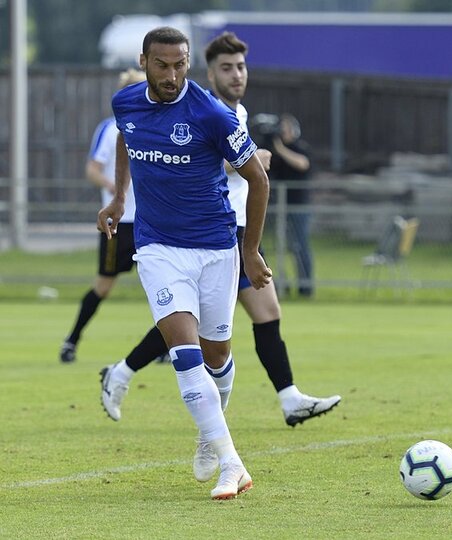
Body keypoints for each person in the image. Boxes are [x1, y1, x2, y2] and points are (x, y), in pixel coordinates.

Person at [99, 33, 340, 447]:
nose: (236, 75)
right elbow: (188, 158)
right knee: (189, 324)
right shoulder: (202, 110)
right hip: (203, 234)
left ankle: (287, 398)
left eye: (241, 67)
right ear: (210, 74)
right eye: (227, 68)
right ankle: (127, 375)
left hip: (237, 232)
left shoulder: (237, 114)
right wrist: (246, 162)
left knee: (258, 315)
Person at [97, 26, 271, 500]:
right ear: (144, 62)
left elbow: (258, 179)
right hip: (158, 248)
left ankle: (209, 435)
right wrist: (120, 197)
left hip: (215, 249)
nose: (172, 75)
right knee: (184, 353)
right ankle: (232, 465)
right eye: (162, 65)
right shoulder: (126, 103)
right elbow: (125, 138)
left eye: (180, 65)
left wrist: (250, 250)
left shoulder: (212, 114)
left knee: (218, 357)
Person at [58, 69, 148, 364]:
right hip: (118, 224)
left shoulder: (157, 127)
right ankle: (71, 340)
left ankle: (165, 347)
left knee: (162, 286)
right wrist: (113, 185)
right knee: (104, 286)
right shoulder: (110, 129)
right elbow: (92, 169)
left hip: (151, 223)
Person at [269, 113, 314, 298]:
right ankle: (281, 286)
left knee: (300, 246)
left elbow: (303, 164)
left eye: (286, 129)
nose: (282, 132)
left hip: (298, 207)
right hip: (279, 207)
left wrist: (280, 149)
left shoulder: (300, 148)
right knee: (281, 248)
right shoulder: (274, 151)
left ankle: (305, 287)